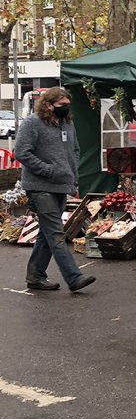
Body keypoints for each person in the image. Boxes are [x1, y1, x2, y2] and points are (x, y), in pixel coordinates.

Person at [14, 87, 95, 293]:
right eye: (61, 105)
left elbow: (75, 150)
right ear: (48, 105)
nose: (65, 109)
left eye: (67, 105)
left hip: (61, 185)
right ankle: (74, 277)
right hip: (40, 186)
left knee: (46, 233)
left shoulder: (67, 123)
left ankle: (35, 276)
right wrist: (48, 170)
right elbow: (21, 152)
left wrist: (71, 172)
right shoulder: (33, 123)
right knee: (56, 232)